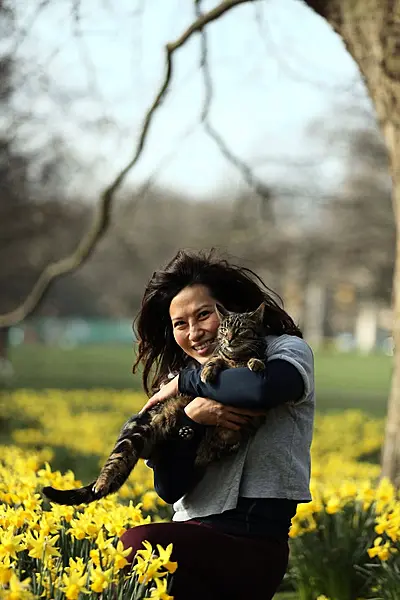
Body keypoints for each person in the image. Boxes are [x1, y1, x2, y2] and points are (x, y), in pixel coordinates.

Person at [121, 249, 315, 600]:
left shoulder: (284, 350)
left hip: (251, 541)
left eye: (203, 315)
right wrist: (192, 418)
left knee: (137, 543)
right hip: (192, 536)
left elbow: (261, 389)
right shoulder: (178, 380)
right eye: (181, 324)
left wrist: (185, 383)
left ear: (228, 313)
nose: (194, 333)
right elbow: (168, 487)